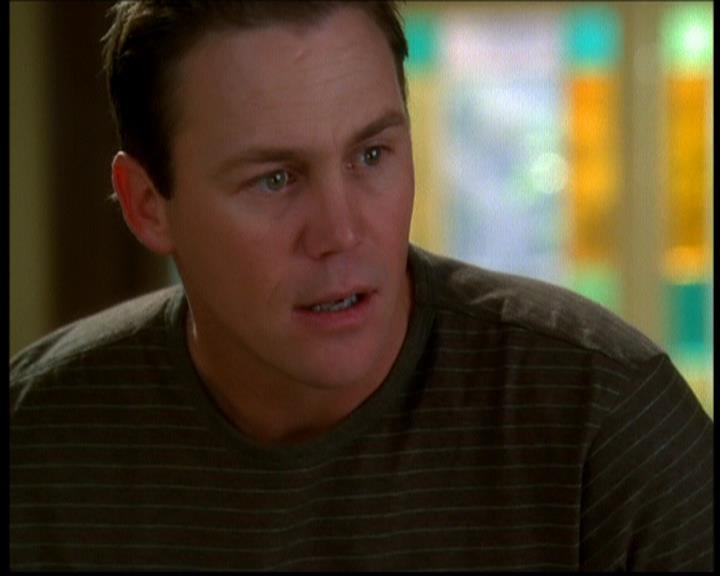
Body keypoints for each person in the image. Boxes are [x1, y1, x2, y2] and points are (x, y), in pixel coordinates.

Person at [9, 1, 713, 571]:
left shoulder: (605, 421)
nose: (342, 232)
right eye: (274, 179)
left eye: (372, 155)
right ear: (147, 205)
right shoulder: (38, 440)